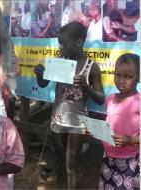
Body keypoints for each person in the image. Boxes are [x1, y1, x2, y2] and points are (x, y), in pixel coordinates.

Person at [34, 22, 105, 188]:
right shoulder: (61, 62)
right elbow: (44, 83)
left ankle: (71, 183)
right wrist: (39, 74)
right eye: (60, 43)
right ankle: (62, 182)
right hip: (57, 119)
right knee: (59, 155)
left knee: (71, 160)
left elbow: (101, 98)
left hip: (78, 123)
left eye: (64, 43)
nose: (61, 47)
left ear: (79, 43)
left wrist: (86, 86)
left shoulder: (91, 67)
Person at [98, 53, 140, 189]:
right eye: (118, 75)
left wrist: (130, 140)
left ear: (138, 78)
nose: (122, 80)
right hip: (108, 158)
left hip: (130, 160)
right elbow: (109, 125)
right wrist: (96, 130)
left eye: (128, 76)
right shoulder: (110, 99)